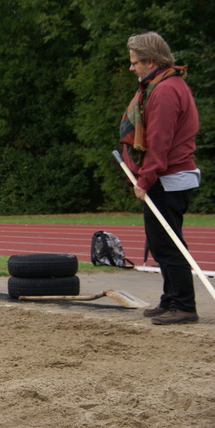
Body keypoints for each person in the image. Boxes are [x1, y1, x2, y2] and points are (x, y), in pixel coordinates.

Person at [119, 31, 200, 325]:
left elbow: (159, 143)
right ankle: (171, 299)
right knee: (161, 243)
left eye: (135, 62)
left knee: (167, 244)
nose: (132, 67)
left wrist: (145, 180)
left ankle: (184, 304)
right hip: (169, 177)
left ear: (150, 61)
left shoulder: (165, 91)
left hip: (168, 179)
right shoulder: (163, 86)